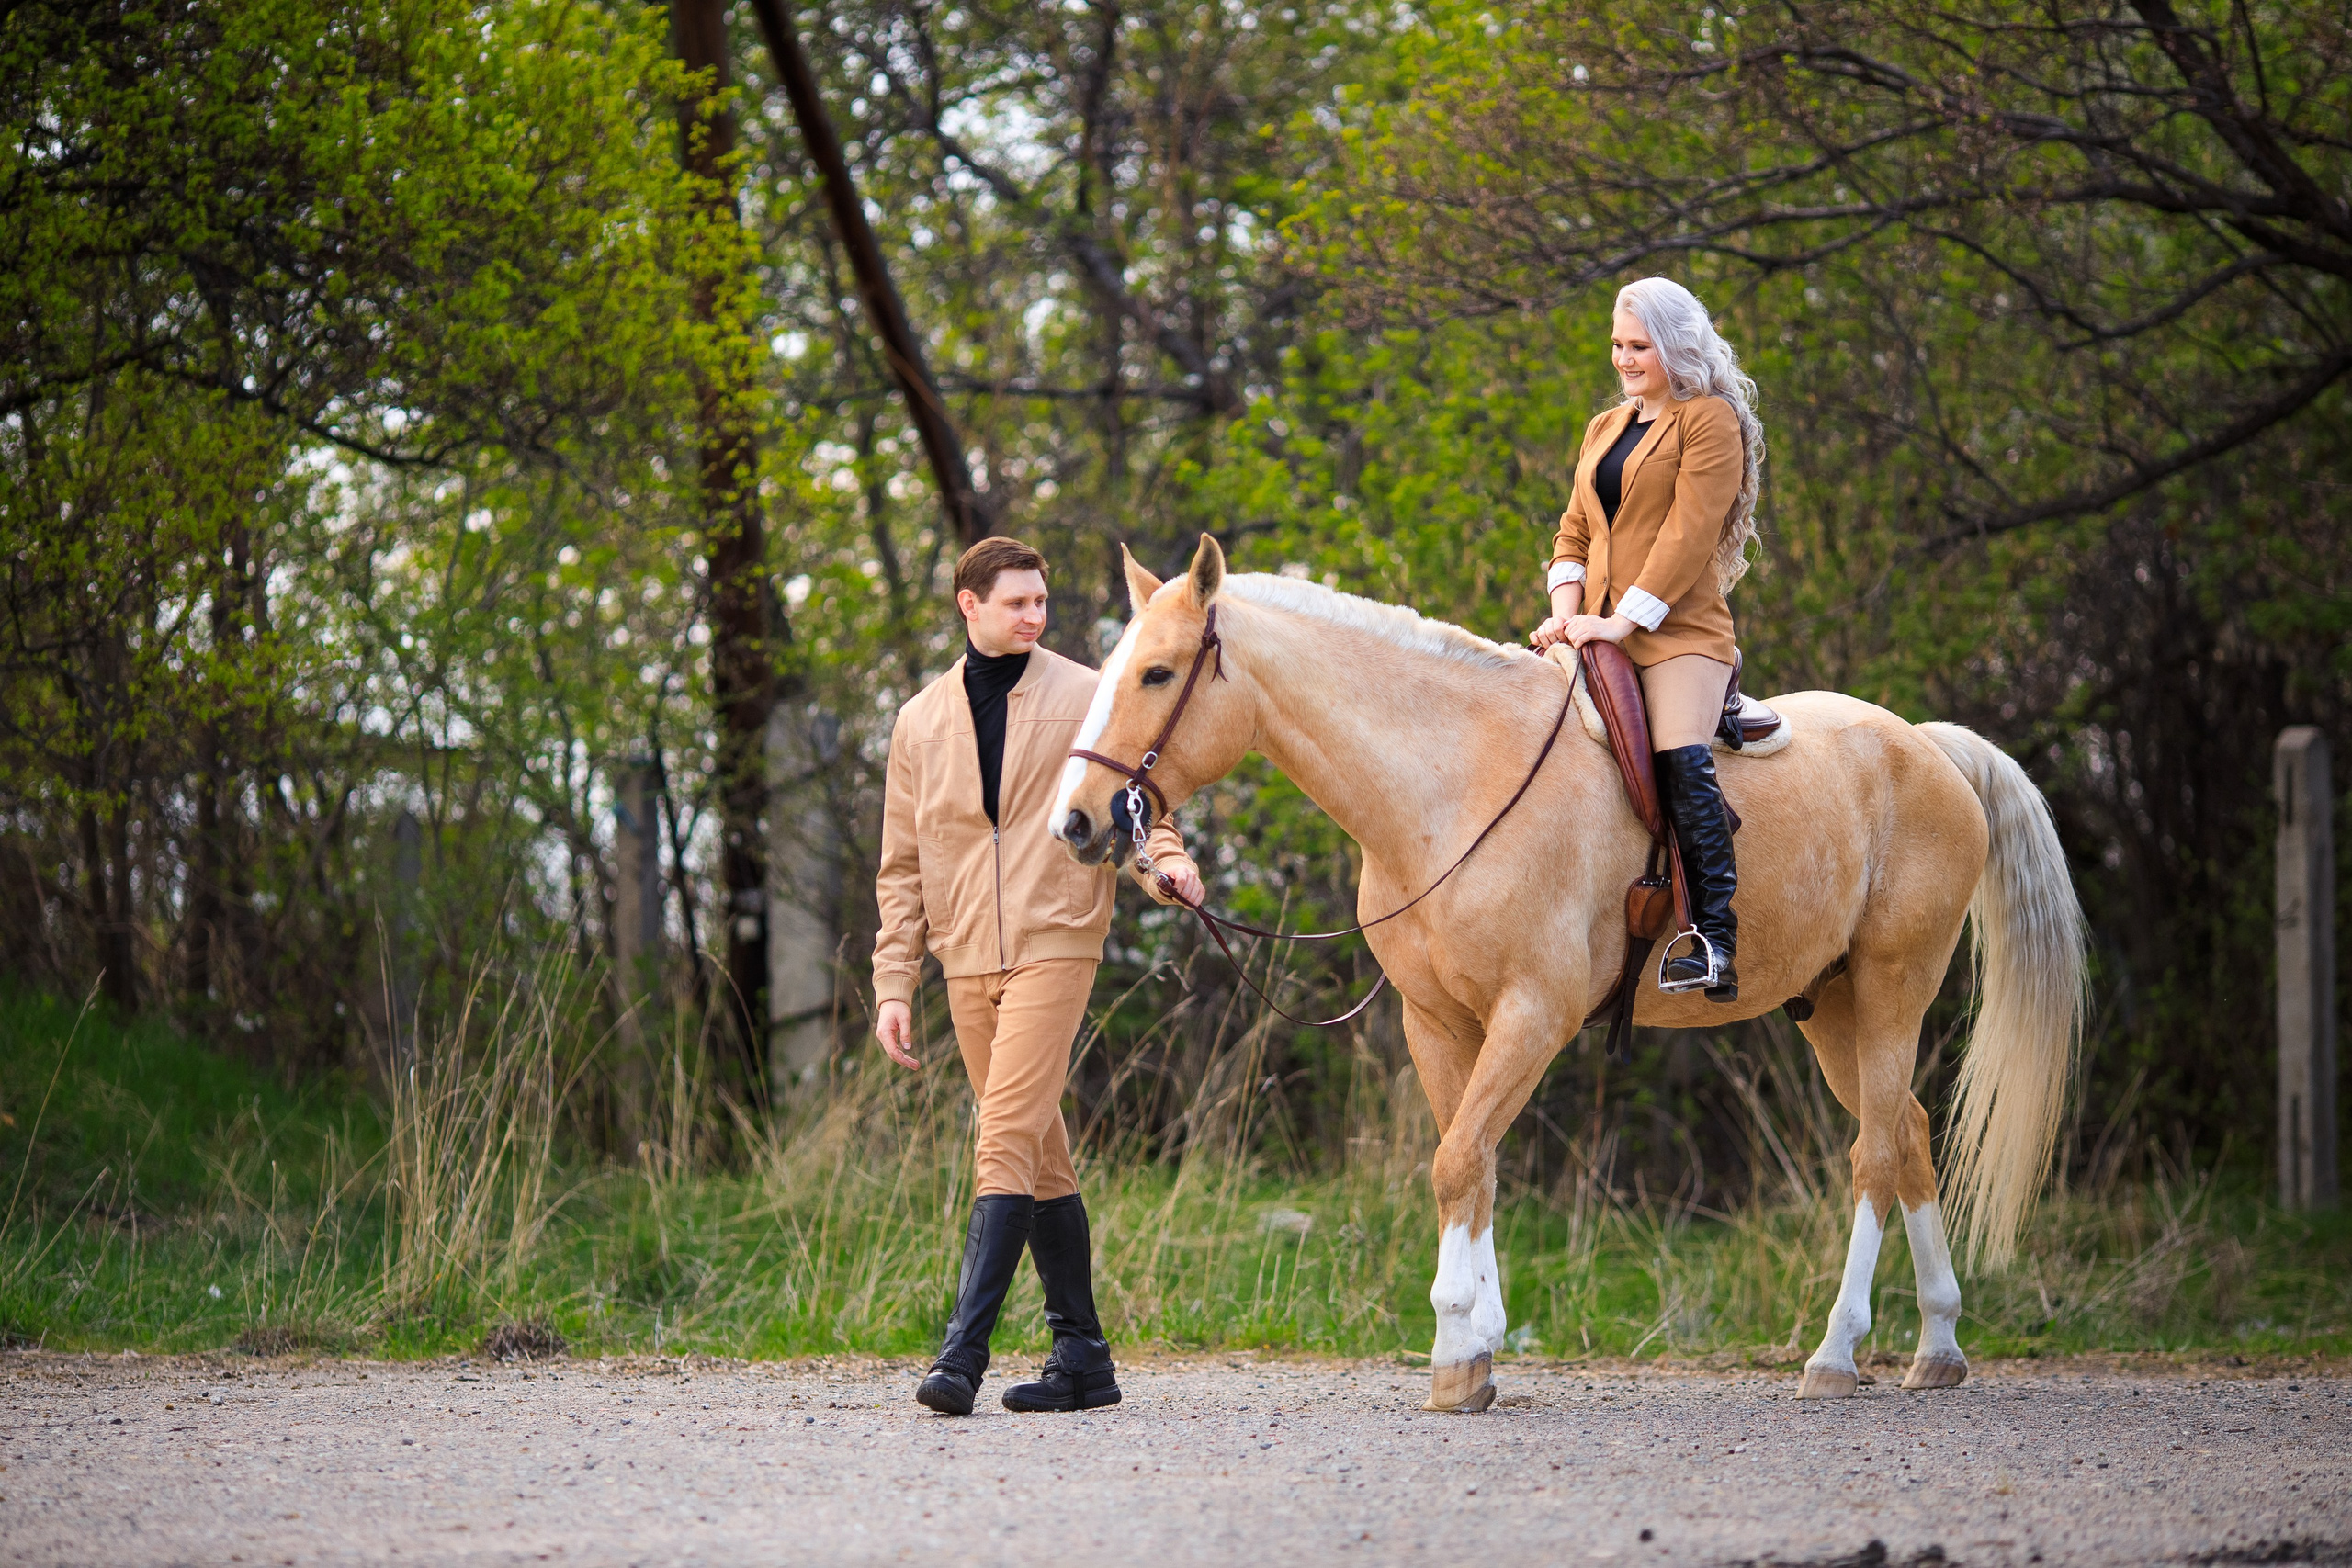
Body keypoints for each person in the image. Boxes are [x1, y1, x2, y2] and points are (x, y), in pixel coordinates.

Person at [872, 536, 1203, 1416]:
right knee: (1039, 1151)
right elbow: (901, 867)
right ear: (968, 605)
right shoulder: (918, 722)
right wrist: (894, 983)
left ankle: (961, 1357)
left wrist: (1163, 861)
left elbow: (1136, 794)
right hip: (964, 954)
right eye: (1017, 601)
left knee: (1003, 1135)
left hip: (1058, 933)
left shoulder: (1085, 693)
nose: (1036, 615)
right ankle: (1084, 1359)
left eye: (1042, 600)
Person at [1529, 276, 1766, 1002]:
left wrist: (1621, 622)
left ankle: (1712, 940)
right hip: (1596, 628)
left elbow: (1688, 537)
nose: (1622, 359)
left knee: (1678, 754)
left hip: (1677, 634)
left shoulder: (1709, 421)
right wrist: (1568, 616)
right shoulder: (1605, 428)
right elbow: (1573, 530)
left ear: (1673, 347)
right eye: (1617, 345)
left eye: (1637, 347)